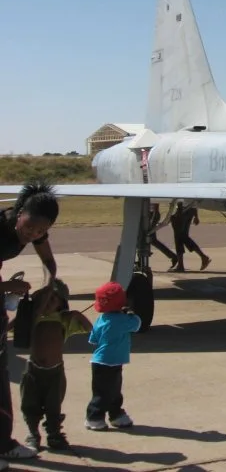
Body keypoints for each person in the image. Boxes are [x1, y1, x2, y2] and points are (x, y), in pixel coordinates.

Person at [0, 181, 61, 465]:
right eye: (30, 228)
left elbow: (49, 262)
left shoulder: (34, 228)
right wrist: (8, 287)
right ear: (19, 212)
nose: (33, 234)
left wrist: (49, 286)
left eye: (40, 231)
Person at [20, 279, 92, 451]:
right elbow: (10, 328)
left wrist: (77, 314)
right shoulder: (33, 320)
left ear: (61, 303)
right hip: (33, 371)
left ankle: (54, 434)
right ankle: (33, 434)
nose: (47, 303)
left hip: (55, 374)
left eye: (52, 299)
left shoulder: (64, 320)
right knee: (30, 404)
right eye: (44, 299)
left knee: (54, 406)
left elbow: (90, 328)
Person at [86, 282, 142, 431]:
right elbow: (137, 324)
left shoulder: (101, 319)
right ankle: (95, 417)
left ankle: (115, 414)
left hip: (99, 361)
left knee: (105, 390)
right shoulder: (124, 320)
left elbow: (93, 339)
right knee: (110, 391)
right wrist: (130, 313)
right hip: (112, 362)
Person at [168, 202, 210, 272]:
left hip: (181, 210)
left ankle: (181, 265)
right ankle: (203, 257)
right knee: (184, 237)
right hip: (190, 210)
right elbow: (194, 200)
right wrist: (196, 215)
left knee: (178, 238)